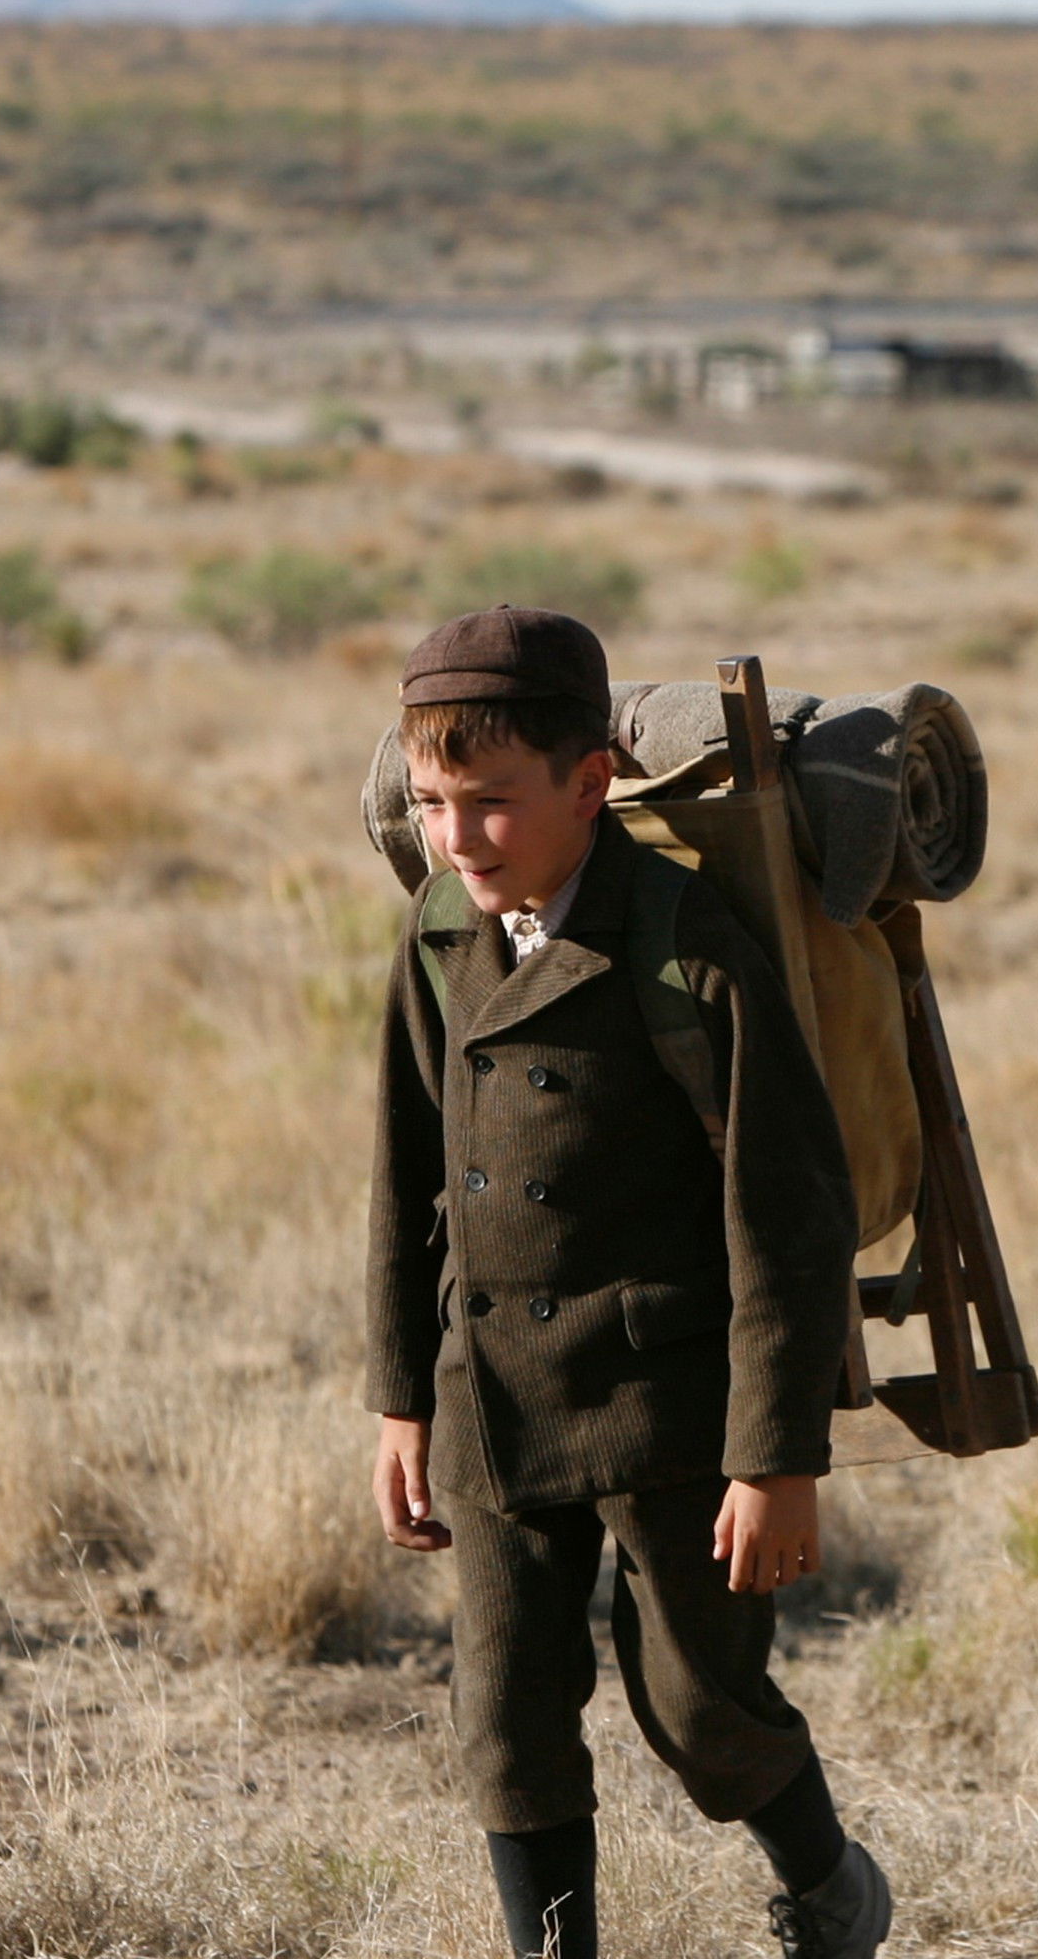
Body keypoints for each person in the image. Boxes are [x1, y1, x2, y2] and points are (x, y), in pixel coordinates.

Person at [365, 605, 889, 1959]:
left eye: (492, 801)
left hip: (672, 1403)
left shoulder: (683, 941)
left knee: (703, 1711)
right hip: (493, 1396)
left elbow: (787, 1216)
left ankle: (831, 1885)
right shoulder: (438, 935)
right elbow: (406, 1182)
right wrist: (401, 1401)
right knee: (506, 1723)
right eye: (430, 803)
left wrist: (774, 1459)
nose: (459, 837)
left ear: (591, 784)